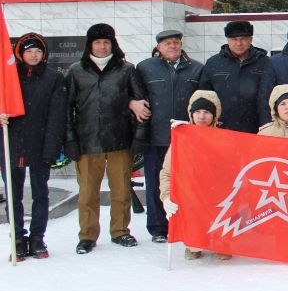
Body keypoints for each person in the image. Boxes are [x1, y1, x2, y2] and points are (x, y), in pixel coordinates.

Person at [65, 23, 147, 254]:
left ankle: (120, 231)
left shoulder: (126, 70)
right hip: (87, 141)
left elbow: (141, 105)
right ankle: (88, 235)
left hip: (120, 140)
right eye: (97, 42)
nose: (102, 47)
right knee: (87, 193)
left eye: (106, 42)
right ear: (90, 45)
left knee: (121, 190)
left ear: (113, 44)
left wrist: (139, 138)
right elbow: (67, 109)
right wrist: (70, 139)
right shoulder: (76, 71)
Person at [0, 33, 66, 260]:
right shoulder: (8, 78)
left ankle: (37, 237)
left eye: (38, 51)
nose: (34, 55)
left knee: (40, 192)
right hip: (13, 143)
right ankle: (17, 237)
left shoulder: (53, 78)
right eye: (29, 51)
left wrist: (52, 146)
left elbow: (57, 115)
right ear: (20, 53)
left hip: (40, 143)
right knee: (14, 193)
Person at [135, 29, 203, 244]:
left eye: (176, 42)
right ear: (159, 47)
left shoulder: (197, 69)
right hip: (156, 136)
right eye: (167, 43)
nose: (172, 46)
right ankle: (158, 227)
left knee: (187, 184)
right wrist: (133, 103)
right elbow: (136, 96)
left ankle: (185, 222)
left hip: (186, 139)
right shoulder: (145, 68)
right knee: (156, 183)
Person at [159, 90, 233, 260]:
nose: (201, 116)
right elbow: (167, 172)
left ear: (214, 115)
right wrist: (166, 197)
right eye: (198, 112)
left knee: (221, 225)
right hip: (192, 195)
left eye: (206, 112)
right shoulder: (181, 138)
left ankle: (221, 242)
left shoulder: (225, 138)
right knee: (195, 241)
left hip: (218, 195)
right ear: (191, 113)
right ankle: (193, 243)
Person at [199, 21, 274, 133]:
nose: (239, 43)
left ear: (250, 40)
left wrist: (266, 124)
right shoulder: (213, 63)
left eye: (243, 38)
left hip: (257, 128)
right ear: (228, 40)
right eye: (234, 39)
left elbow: (271, 95)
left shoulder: (265, 62)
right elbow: (204, 97)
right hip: (222, 128)